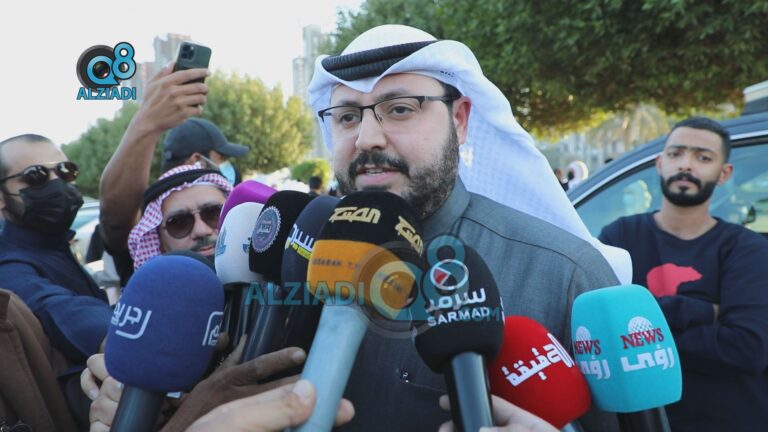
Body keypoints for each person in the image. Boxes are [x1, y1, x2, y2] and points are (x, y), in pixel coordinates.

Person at [308, 24, 625, 431]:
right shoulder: (299, 256)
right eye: (348, 117)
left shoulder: (564, 274)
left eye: (400, 109)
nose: (367, 138)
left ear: (459, 120)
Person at [599, 117, 768, 432]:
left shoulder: (746, 249)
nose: (686, 164)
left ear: (724, 173)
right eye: (676, 153)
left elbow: (746, 348)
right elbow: (602, 330)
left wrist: (638, 340)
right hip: (640, 423)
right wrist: (705, 311)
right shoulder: (619, 236)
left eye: (703, 157)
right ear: (660, 163)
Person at [0, 134, 113, 427]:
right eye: (35, 176)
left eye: (65, 171)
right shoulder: (9, 266)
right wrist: (133, 335)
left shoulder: (54, 247)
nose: (57, 183)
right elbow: (57, 306)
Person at [161, 117, 249, 185]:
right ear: (196, 160)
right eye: (222, 158)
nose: (228, 165)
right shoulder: (206, 203)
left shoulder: (160, 199)